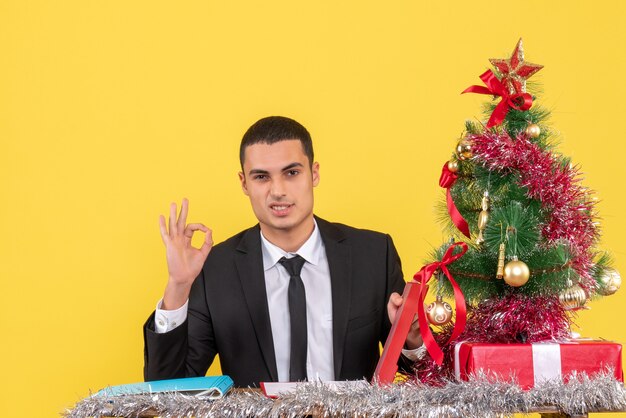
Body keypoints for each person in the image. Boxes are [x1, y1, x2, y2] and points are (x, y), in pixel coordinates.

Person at [143, 116, 421, 387]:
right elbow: (168, 391)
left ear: (314, 173)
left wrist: (413, 339)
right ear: (244, 183)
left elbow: (419, 374)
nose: (278, 191)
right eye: (262, 177)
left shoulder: (372, 255)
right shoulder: (215, 269)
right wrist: (178, 287)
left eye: (291, 173)